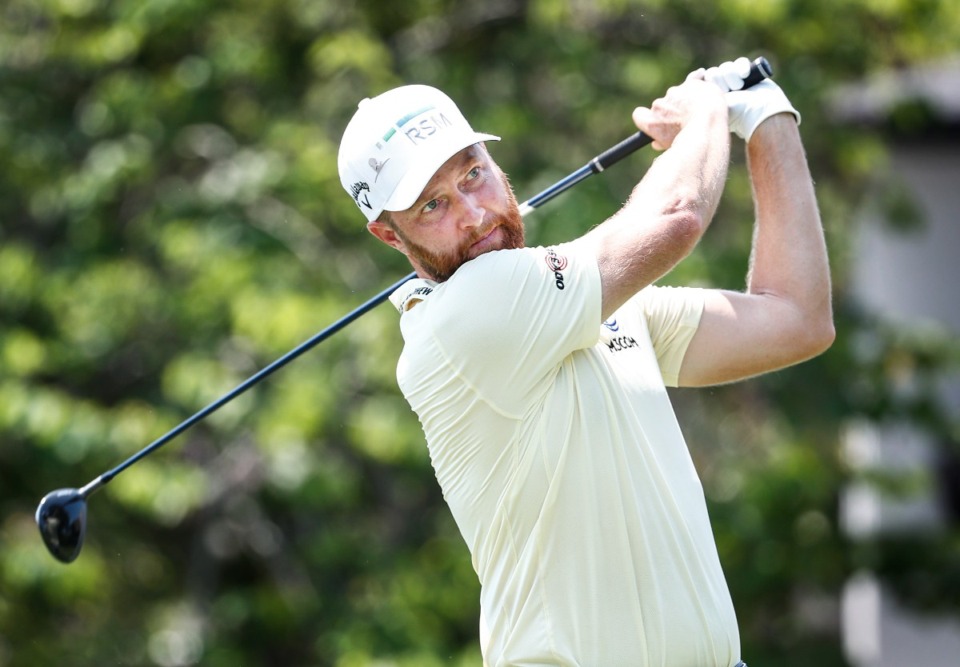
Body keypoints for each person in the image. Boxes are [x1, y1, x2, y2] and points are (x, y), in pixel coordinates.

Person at [337, 56, 834, 667]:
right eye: (431, 207)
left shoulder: (582, 304)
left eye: (473, 175)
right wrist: (708, 108)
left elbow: (795, 319)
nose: (472, 213)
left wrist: (767, 121)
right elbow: (676, 218)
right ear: (391, 236)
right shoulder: (464, 316)